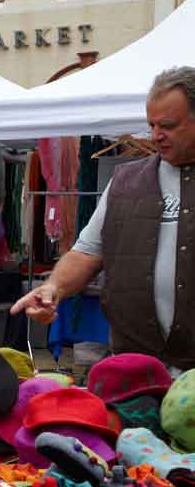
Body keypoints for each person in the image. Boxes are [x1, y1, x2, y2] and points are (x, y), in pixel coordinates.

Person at [13, 67, 195, 373]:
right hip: (135, 369)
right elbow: (87, 252)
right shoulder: (126, 180)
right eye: (151, 125)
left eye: (168, 125)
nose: (155, 136)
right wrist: (53, 286)